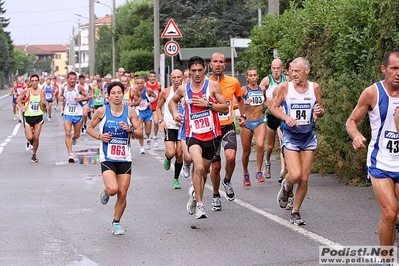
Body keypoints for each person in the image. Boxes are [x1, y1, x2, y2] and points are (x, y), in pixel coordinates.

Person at [346, 50, 399, 248]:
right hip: (381, 162)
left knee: (394, 217)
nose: (398, 73)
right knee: (390, 213)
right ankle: (386, 260)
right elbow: (351, 121)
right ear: (384, 69)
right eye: (394, 68)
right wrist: (356, 135)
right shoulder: (372, 93)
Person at [169, 56, 228, 219]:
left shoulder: (213, 87)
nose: (196, 74)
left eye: (199, 70)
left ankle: (194, 195)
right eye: (193, 71)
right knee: (199, 167)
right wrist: (175, 114)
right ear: (189, 71)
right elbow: (172, 103)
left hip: (211, 135)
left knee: (204, 172)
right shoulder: (183, 89)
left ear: (205, 70)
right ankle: (201, 206)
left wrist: (208, 104)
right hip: (192, 135)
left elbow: (225, 108)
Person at [271, 57, 324, 226]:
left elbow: (320, 110)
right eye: (292, 71)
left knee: (304, 178)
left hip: (307, 135)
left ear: (307, 71)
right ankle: (286, 187)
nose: (293, 74)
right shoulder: (285, 88)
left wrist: (318, 111)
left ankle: (295, 211)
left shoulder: (315, 87)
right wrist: (286, 117)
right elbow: (273, 108)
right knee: (295, 174)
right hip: (290, 135)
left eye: (297, 71)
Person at [86, 81, 143, 235]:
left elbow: (140, 133)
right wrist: (100, 136)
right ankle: (105, 191)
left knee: (123, 193)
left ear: (123, 94)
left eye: (119, 92)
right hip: (108, 156)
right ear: (108, 96)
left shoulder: (130, 112)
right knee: (113, 189)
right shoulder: (102, 111)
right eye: (113, 93)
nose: (117, 96)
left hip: (125, 157)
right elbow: (89, 128)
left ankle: (116, 222)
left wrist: (130, 129)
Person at [208, 52, 246, 211]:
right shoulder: (205, 83)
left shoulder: (233, 82)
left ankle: (228, 180)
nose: (218, 64)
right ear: (210, 64)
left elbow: (240, 100)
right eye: (215, 61)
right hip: (211, 129)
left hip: (228, 125)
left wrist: (243, 116)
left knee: (231, 157)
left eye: (221, 62)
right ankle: (216, 195)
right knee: (215, 167)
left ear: (225, 65)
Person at [156, 69, 184, 189]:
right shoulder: (166, 92)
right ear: (171, 79)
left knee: (179, 154)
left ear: (182, 77)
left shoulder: (187, 91)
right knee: (172, 153)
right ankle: (167, 157)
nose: (177, 80)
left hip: (182, 127)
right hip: (170, 126)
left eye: (179, 77)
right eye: (174, 78)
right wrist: (161, 121)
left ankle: (176, 179)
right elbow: (157, 108)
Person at [260, 58, 287, 180]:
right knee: (270, 145)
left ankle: (283, 171)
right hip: (270, 115)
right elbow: (260, 96)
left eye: (278, 68)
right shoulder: (267, 80)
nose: (276, 71)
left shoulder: (286, 80)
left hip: (282, 115)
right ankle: (267, 162)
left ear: (282, 69)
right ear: (271, 69)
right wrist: (269, 105)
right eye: (273, 68)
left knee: (283, 143)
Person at [240, 68, 267, 186]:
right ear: (247, 77)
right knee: (246, 152)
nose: (253, 77)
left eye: (255, 75)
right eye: (250, 75)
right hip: (247, 124)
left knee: (260, 145)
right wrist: (244, 103)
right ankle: (246, 173)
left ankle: (259, 171)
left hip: (260, 121)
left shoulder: (262, 89)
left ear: (258, 76)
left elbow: (266, 101)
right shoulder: (244, 90)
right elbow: (234, 104)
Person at [59, 72, 91, 163]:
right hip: (68, 113)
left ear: (76, 80)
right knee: (67, 133)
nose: (72, 80)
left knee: (77, 135)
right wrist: (60, 98)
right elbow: (60, 96)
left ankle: (74, 138)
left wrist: (80, 99)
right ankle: (70, 154)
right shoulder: (64, 88)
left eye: (74, 79)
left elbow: (88, 97)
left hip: (78, 113)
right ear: (68, 79)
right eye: (71, 79)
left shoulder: (79, 88)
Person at [16, 74, 47, 163]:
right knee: (30, 138)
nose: (34, 82)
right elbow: (18, 100)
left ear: (38, 81)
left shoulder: (41, 92)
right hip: (28, 116)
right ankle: (31, 142)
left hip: (38, 116)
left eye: (36, 81)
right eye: (32, 81)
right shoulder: (26, 91)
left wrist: (43, 104)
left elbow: (43, 108)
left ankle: (34, 155)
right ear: (30, 82)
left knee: (36, 137)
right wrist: (22, 107)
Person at [136, 76, 158, 154]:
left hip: (148, 112)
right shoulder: (134, 91)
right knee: (139, 129)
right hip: (139, 112)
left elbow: (156, 97)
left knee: (148, 131)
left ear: (143, 83)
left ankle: (148, 139)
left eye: (141, 83)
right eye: (137, 83)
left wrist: (150, 102)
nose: (139, 85)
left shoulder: (148, 90)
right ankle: (142, 147)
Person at [145, 70, 161, 148]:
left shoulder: (159, 84)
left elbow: (160, 94)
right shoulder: (145, 85)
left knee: (155, 122)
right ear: (148, 77)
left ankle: (155, 137)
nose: (152, 78)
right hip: (147, 108)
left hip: (156, 107)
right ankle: (148, 139)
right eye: (151, 76)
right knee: (148, 126)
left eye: (154, 77)